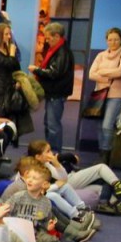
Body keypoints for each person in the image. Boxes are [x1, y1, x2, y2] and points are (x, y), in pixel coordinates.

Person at [87, 27, 121, 158]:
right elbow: (91, 74)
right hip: (100, 94)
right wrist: (107, 78)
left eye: (116, 39)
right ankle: (102, 153)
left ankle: (106, 155)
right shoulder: (101, 55)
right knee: (99, 126)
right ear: (106, 40)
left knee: (107, 125)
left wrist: (101, 72)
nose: (113, 42)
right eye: (110, 39)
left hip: (116, 95)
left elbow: (120, 72)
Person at [29, 22, 75, 150]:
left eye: (48, 38)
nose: (47, 40)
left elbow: (55, 73)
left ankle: (54, 152)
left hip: (57, 93)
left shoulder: (62, 52)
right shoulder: (57, 50)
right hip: (53, 92)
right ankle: (50, 150)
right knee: (49, 123)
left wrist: (37, 70)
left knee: (53, 125)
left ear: (57, 36)